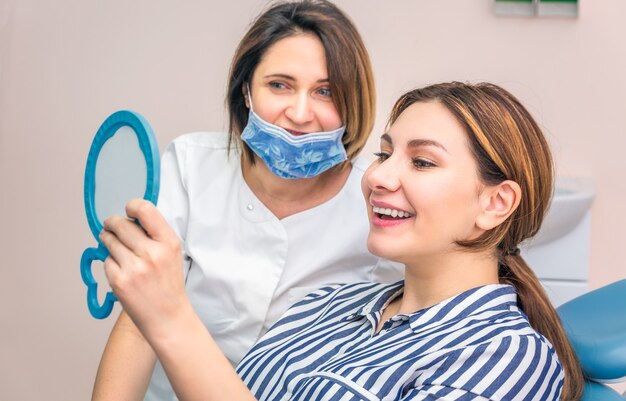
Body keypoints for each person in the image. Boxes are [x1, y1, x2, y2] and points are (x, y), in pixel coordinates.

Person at [99, 81, 584, 400]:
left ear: (495, 204)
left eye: (422, 162)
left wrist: (170, 318)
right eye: (384, 153)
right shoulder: (326, 306)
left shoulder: (505, 356)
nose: (376, 178)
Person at [91, 0, 402, 401]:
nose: (300, 113)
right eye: (279, 85)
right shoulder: (190, 166)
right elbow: (139, 322)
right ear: (246, 91)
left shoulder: (380, 199)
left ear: (352, 103)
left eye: (325, 91)